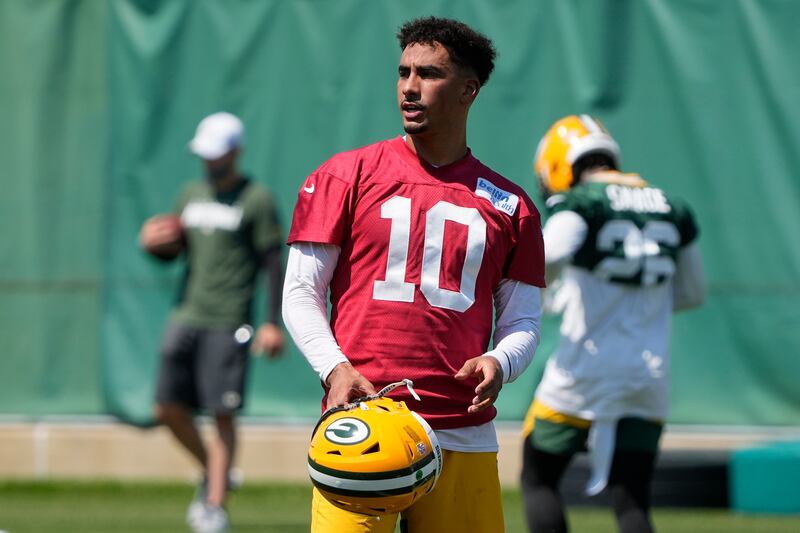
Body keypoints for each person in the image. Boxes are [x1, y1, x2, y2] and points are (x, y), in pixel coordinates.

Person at [282, 16, 545, 533]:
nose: (409, 87)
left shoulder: (513, 207)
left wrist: (500, 362)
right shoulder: (345, 175)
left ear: (469, 89)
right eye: (403, 72)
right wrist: (334, 368)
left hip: (462, 430)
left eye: (428, 74)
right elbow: (299, 292)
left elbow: (525, 323)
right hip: (363, 425)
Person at [520, 115, 707, 533]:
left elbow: (546, 255)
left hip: (584, 370)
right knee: (632, 497)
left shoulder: (584, 202)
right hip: (648, 375)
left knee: (537, 478)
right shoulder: (672, 206)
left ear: (558, 164)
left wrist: (550, 291)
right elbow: (693, 293)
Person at [139, 111, 285, 533]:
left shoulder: (256, 198)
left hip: (229, 321)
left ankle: (214, 506)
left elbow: (272, 262)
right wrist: (151, 242)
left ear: (236, 152)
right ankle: (213, 471)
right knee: (166, 408)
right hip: (186, 314)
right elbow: (173, 246)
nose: (209, 161)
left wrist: (271, 322)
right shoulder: (190, 194)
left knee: (222, 414)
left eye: (217, 154)